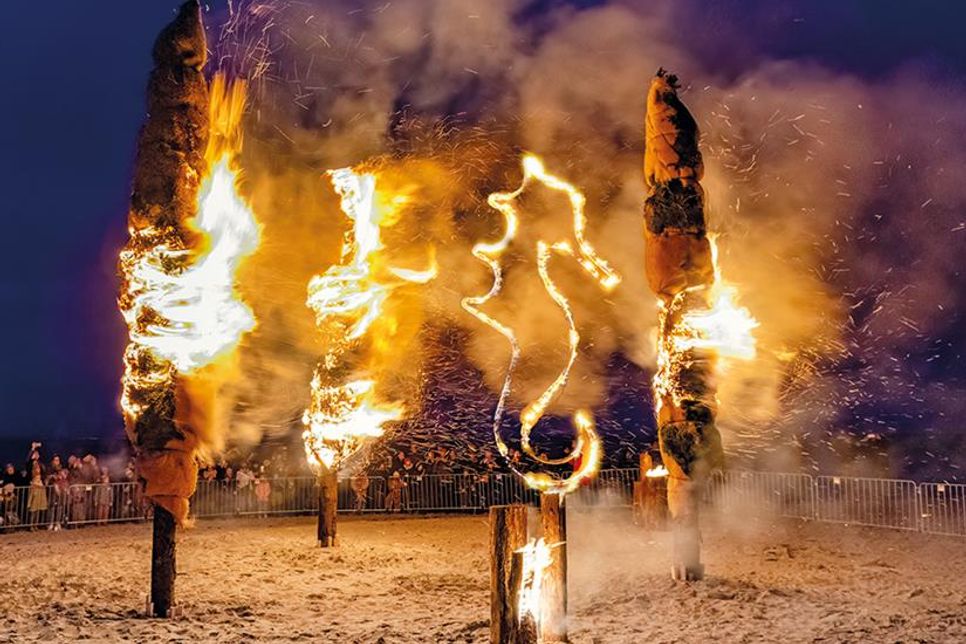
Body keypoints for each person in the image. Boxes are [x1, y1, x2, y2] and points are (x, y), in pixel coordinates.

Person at [26, 461, 48, 529]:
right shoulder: (33, 475)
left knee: (38, 510)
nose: (38, 469)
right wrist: (39, 486)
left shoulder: (41, 476)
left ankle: (35, 525)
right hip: (35, 492)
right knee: (33, 510)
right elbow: (33, 483)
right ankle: (31, 525)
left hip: (40, 492)